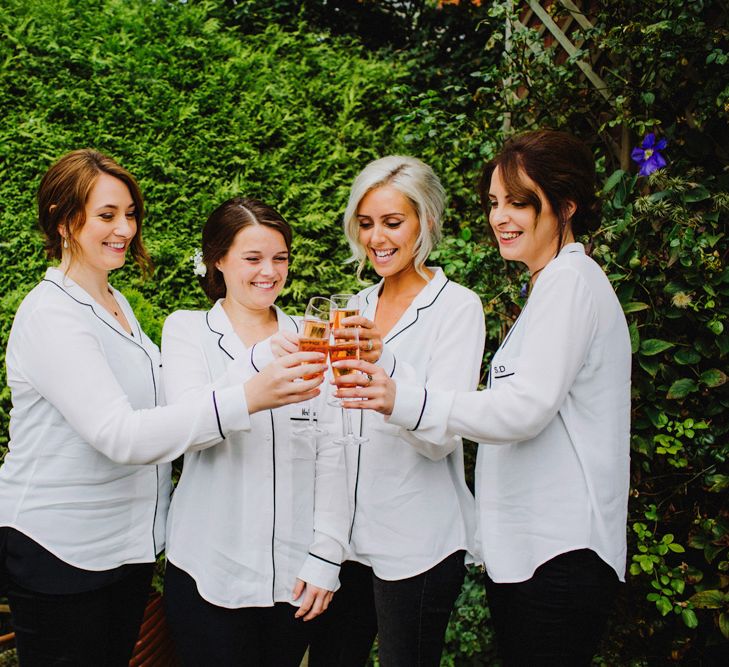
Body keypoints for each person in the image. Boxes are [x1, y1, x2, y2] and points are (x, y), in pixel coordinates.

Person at [0, 151, 325, 667]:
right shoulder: (52, 314)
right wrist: (249, 397)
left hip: (122, 552)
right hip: (61, 550)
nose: (124, 228)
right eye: (106, 215)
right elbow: (120, 435)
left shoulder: (114, 303)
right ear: (65, 220)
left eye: (130, 214)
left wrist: (260, 362)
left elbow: (172, 410)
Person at [334, 130, 631, 666]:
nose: (500, 217)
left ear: (565, 205)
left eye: (519, 202)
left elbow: (524, 408)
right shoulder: (550, 286)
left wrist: (402, 397)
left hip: (560, 552)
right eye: (494, 203)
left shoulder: (571, 283)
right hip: (530, 553)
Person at [307, 156, 486, 666]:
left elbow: (440, 438)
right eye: (365, 224)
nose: (376, 238)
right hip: (346, 542)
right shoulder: (353, 307)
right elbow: (332, 420)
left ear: (425, 221)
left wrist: (383, 357)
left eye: (392, 222)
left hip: (418, 541)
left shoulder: (457, 307)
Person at [160, 197, 349, 666]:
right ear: (218, 259)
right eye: (253, 258)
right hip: (208, 570)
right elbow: (187, 424)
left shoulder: (314, 337)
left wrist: (326, 556)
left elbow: (333, 452)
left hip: (293, 577)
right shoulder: (188, 332)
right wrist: (260, 360)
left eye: (280, 258)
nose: (269, 271)